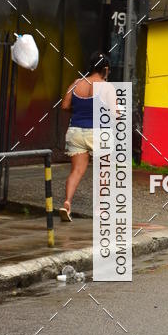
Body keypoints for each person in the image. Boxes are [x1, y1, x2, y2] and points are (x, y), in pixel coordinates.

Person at [59, 51, 114, 222]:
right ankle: (100, 210)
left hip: (75, 132)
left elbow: (64, 105)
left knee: (76, 171)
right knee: (104, 171)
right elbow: (114, 113)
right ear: (105, 69)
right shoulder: (106, 87)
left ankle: (67, 203)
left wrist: (81, 110)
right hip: (98, 134)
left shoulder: (76, 84)